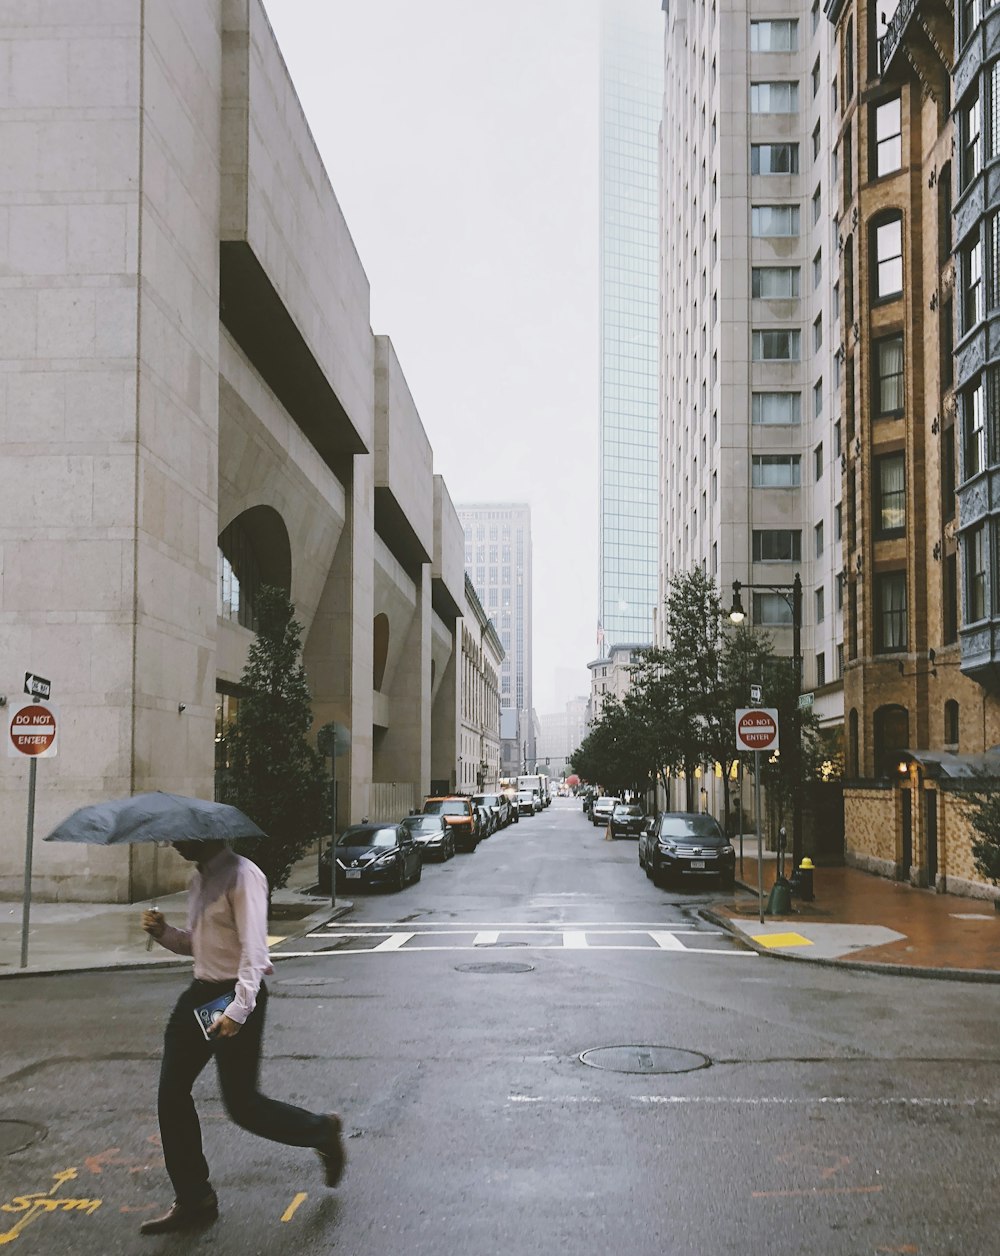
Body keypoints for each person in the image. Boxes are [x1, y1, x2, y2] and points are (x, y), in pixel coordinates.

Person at [140, 839, 345, 1235]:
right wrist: (165, 932)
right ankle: (194, 1198)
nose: (176, 844)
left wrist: (239, 1008)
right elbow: (198, 946)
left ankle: (321, 1131)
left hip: (232, 996)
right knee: (171, 1093)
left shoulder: (244, 876)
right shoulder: (198, 880)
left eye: (183, 838)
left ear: (209, 836)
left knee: (242, 1105)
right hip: (201, 994)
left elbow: (254, 950)